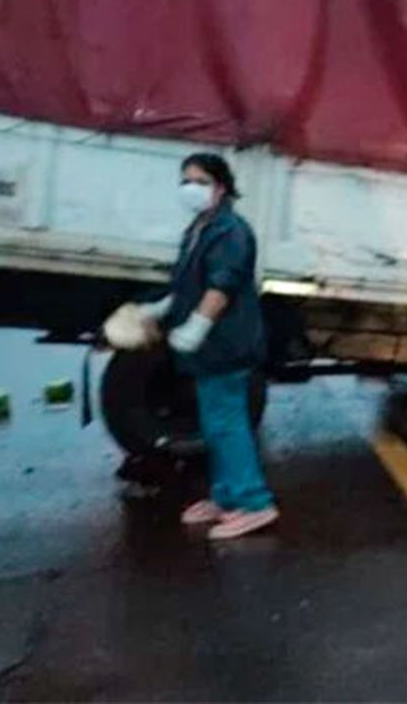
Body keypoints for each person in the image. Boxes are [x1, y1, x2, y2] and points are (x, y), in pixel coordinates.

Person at [137, 153, 277, 540]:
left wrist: (197, 325)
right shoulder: (201, 226)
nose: (189, 189)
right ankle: (227, 495)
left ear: (220, 186)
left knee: (228, 425)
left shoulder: (231, 230)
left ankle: (255, 503)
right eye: (185, 180)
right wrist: (163, 307)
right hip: (209, 349)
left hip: (225, 344)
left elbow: (222, 285)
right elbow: (187, 282)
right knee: (215, 426)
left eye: (198, 180)